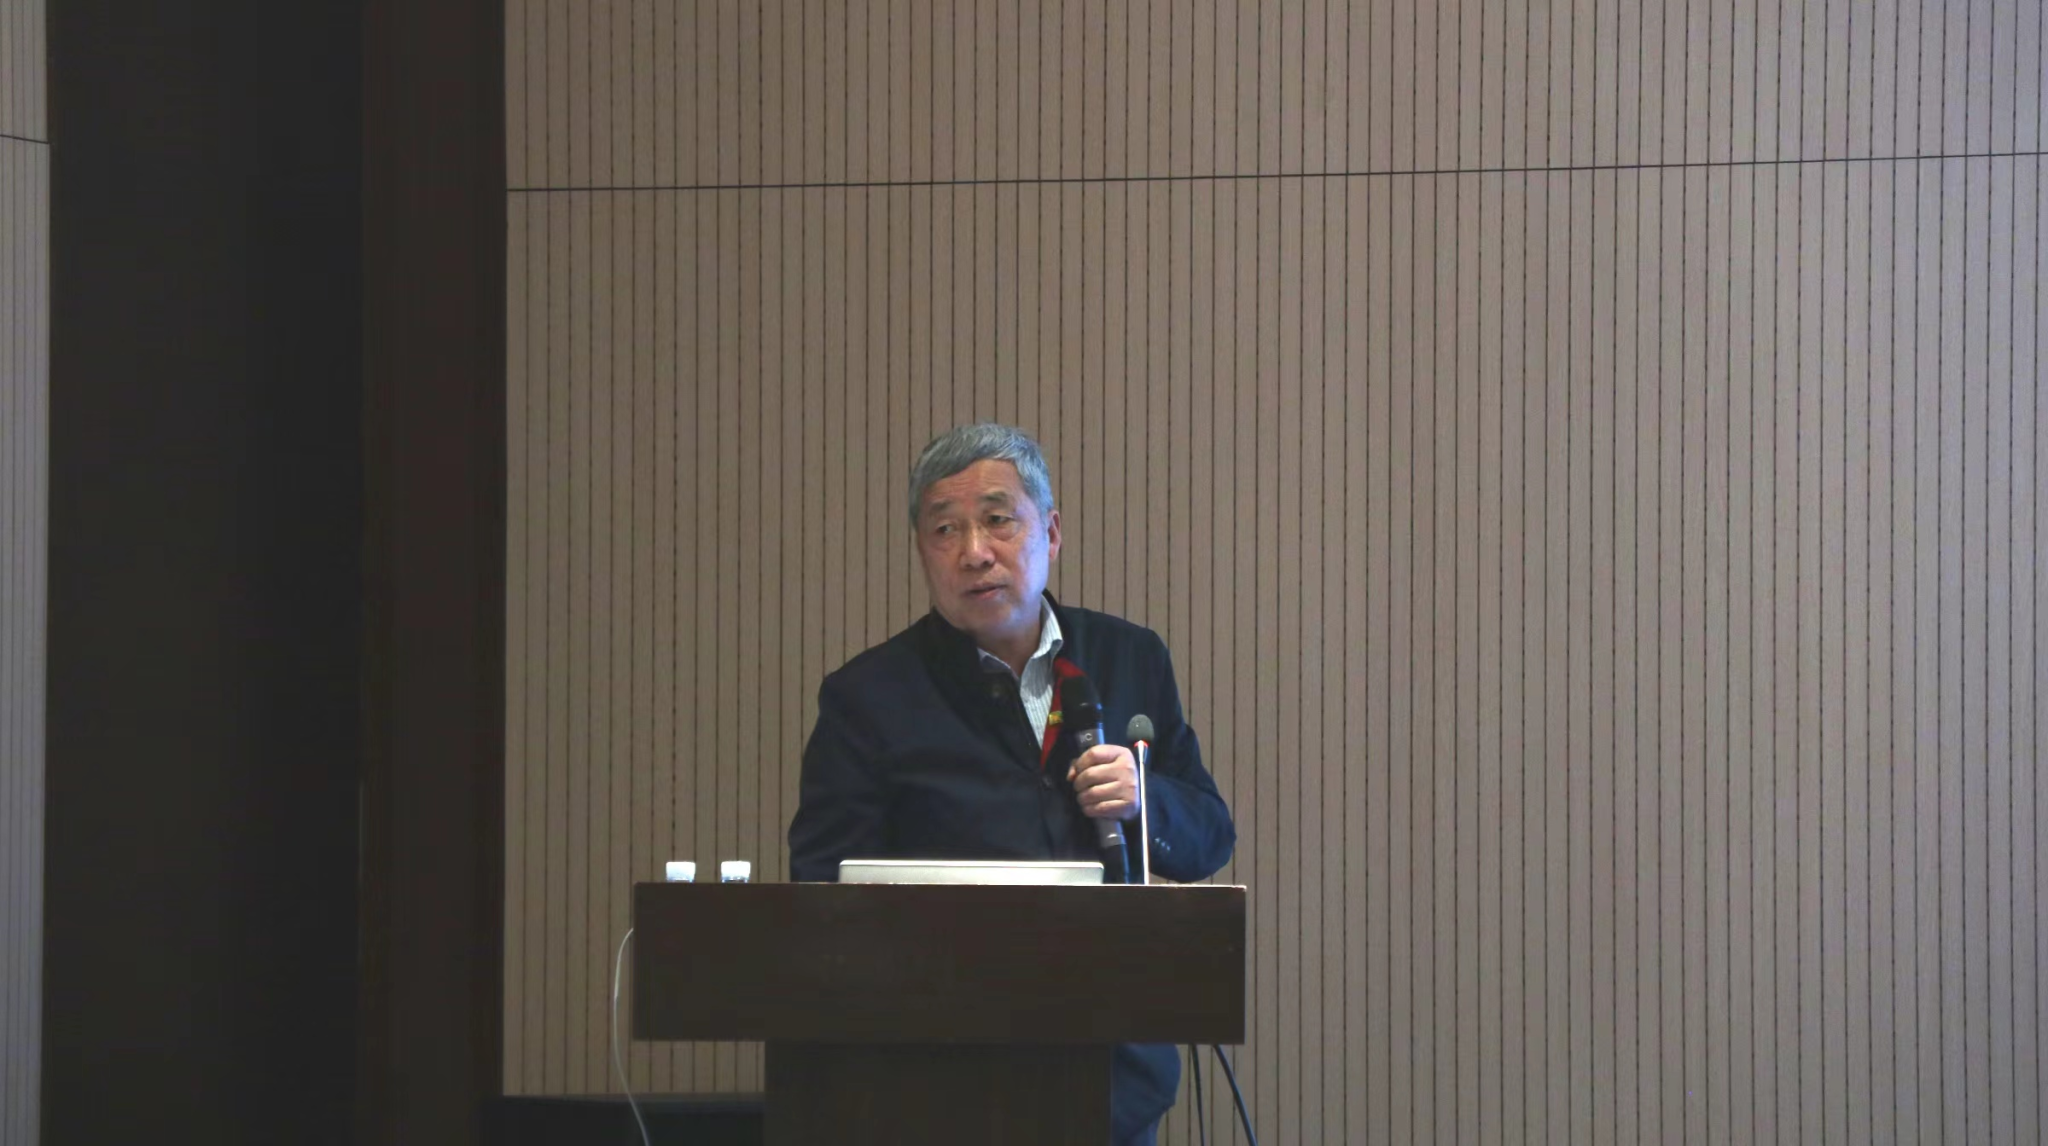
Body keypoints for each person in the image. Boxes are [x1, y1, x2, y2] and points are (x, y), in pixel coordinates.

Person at [788, 422, 1237, 1146]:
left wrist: (1143, 798)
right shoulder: (867, 696)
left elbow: (1209, 837)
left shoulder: (1129, 656)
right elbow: (820, 888)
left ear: (1050, 533)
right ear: (922, 551)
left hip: (1111, 1080)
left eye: (998, 520)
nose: (975, 552)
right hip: (936, 1085)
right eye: (945, 529)